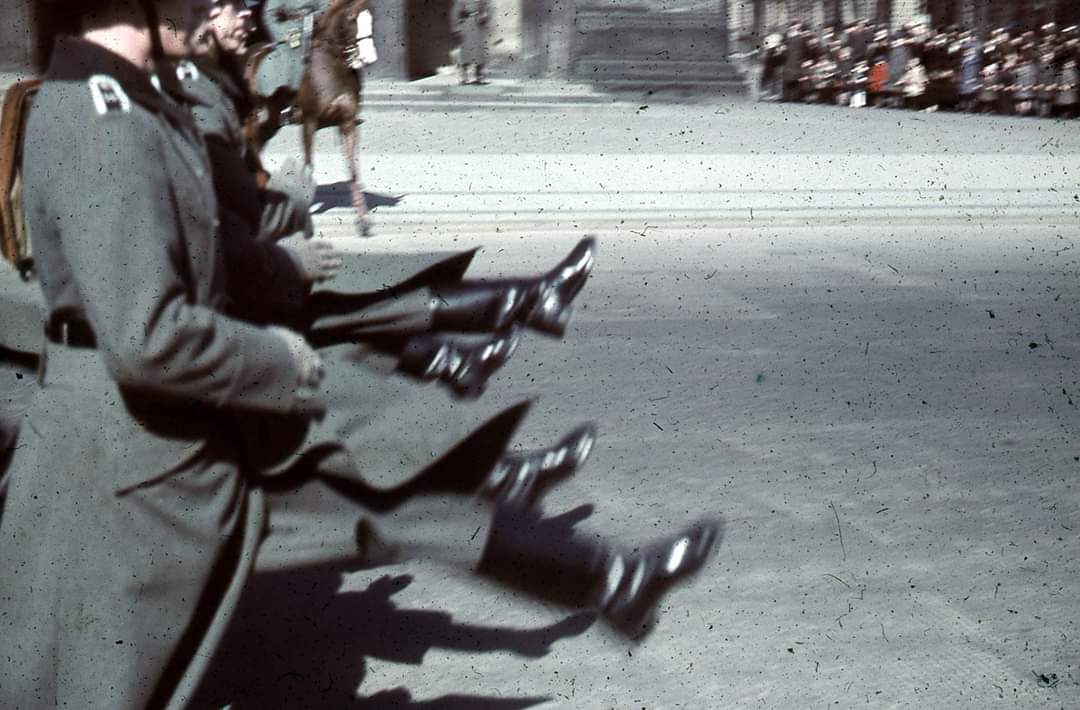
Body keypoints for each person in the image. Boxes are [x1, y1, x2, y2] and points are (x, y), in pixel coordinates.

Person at [0, 3, 722, 707]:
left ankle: (610, 579)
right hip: (130, 458)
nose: (219, 8)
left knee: (392, 495)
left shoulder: (134, 104)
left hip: (185, 428)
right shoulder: (104, 122)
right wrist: (277, 359)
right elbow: (147, 337)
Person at [452, 0, 491, 85]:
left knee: (479, 51)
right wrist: (456, 27)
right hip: (465, 24)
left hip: (477, 24)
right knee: (464, 51)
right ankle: (463, 77)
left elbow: (487, 8)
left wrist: (484, 17)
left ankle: (479, 76)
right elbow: (456, 11)